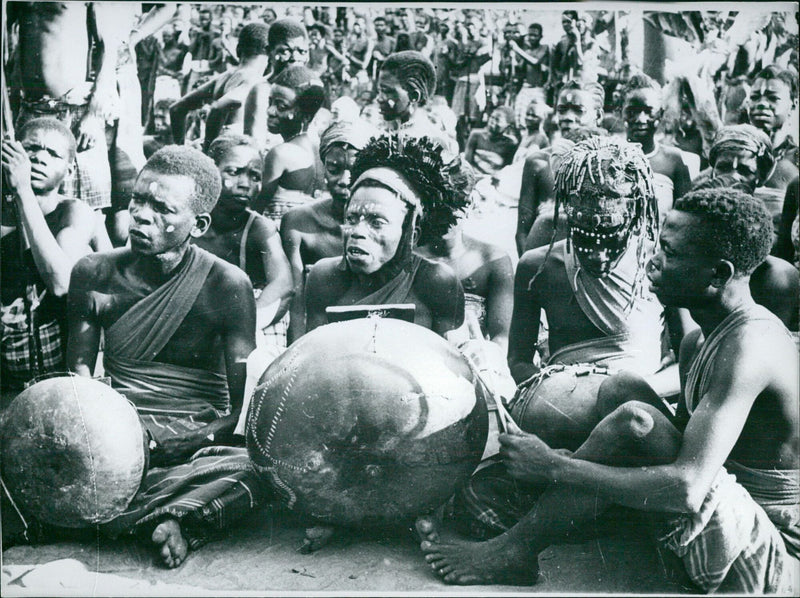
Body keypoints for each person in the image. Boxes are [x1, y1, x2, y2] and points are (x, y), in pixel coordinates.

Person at [420, 188, 800, 594]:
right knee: (624, 388)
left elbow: (688, 487)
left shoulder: (751, 343)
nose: (653, 260)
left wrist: (555, 467)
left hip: (774, 549)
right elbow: (684, 448)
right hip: (724, 507)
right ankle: (548, 517)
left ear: (719, 275)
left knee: (634, 422)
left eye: (671, 253)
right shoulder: (696, 343)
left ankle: (514, 549)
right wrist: (582, 461)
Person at [67, 146, 266, 568]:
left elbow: (245, 406)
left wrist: (195, 439)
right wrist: (113, 438)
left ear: (200, 224)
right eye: (137, 200)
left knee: (256, 469)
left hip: (196, 437)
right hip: (118, 429)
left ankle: (169, 517)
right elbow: (79, 381)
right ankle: (181, 514)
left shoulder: (228, 285)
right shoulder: (92, 273)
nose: (140, 215)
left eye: (161, 208)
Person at [509, 137, 665, 396]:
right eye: (584, 236)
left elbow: (689, 362)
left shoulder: (658, 263)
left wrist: (626, 392)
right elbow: (518, 361)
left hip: (643, 405)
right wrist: (563, 396)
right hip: (563, 402)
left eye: (612, 239)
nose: (598, 255)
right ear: (568, 217)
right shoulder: (538, 266)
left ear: (635, 219)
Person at [304, 134, 466, 338]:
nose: (358, 232)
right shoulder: (324, 277)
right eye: (352, 219)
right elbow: (312, 357)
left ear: (411, 235)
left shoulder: (437, 282)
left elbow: (450, 363)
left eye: (377, 222)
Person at [7, 2, 139, 247]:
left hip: (76, 109)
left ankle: (102, 276)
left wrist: (95, 111)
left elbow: (109, 47)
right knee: (30, 198)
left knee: (90, 207)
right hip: (31, 109)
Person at [1, 119, 108, 393]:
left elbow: (61, 284)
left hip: (61, 375)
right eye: (30, 148)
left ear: (70, 169)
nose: (38, 158)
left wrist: (23, 190)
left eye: (53, 154)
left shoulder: (74, 212)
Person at [280, 119, 378, 344]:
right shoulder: (299, 222)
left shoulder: (384, 225)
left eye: (355, 171)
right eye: (334, 169)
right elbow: (296, 303)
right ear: (323, 166)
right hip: (318, 336)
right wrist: (295, 354)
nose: (344, 181)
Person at [194, 134, 293, 349]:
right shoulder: (189, 220)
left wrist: (242, 323)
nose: (245, 184)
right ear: (210, 172)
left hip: (244, 320)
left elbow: (283, 285)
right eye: (234, 172)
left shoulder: (258, 228)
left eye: (255, 176)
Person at [515, 79, 605, 254]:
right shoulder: (538, 162)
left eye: (578, 110)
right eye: (562, 110)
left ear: (598, 116)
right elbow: (522, 232)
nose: (567, 117)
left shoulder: (611, 163)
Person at [169, 23, 271, 151]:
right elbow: (218, 108)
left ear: (238, 50)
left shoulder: (223, 77)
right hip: (235, 156)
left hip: (220, 151)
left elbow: (176, 109)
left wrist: (181, 147)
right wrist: (207, 147)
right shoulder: (255, 80)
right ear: (271, 52)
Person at [250, 65, 326, 224]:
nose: (270, 111)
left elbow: (253, 210)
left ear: (306, 116)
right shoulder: (320, 149)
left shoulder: (281, 154)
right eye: (270, 102)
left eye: (281, 106)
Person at [620, 74, 692, 220]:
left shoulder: (674, 160)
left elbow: (685, 217)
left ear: (660, 114)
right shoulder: (608, 157)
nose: (641, 119)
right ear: (620, 111)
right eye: (632, 111)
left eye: (649, 111)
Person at [376, 50, 459, 159]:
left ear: (414, 96)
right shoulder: (381, 134)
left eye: (387, 91)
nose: (379, 98)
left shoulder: (434, 143)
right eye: (379, 91)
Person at [243, 18, 311, 149]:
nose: (295, 58)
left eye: (302, 51)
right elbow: (255, 146)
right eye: (285, 51)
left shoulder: (309, 87)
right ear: (269, 51)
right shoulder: (262, 91)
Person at [746, 66, 799, 228]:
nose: (762, 104)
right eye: (755, 97)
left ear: (793, 106)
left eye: (772, 98)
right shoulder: (730, 153)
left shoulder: (796, 159)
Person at [464, 106, 518, 177]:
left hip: (494, 182)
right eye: (492, 117)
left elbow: (507, 170)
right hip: (474, 177)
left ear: (508, 126)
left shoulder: (510, 144)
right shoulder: (476, 135)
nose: (492, 121)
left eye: (497, 120)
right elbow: (467, 163)